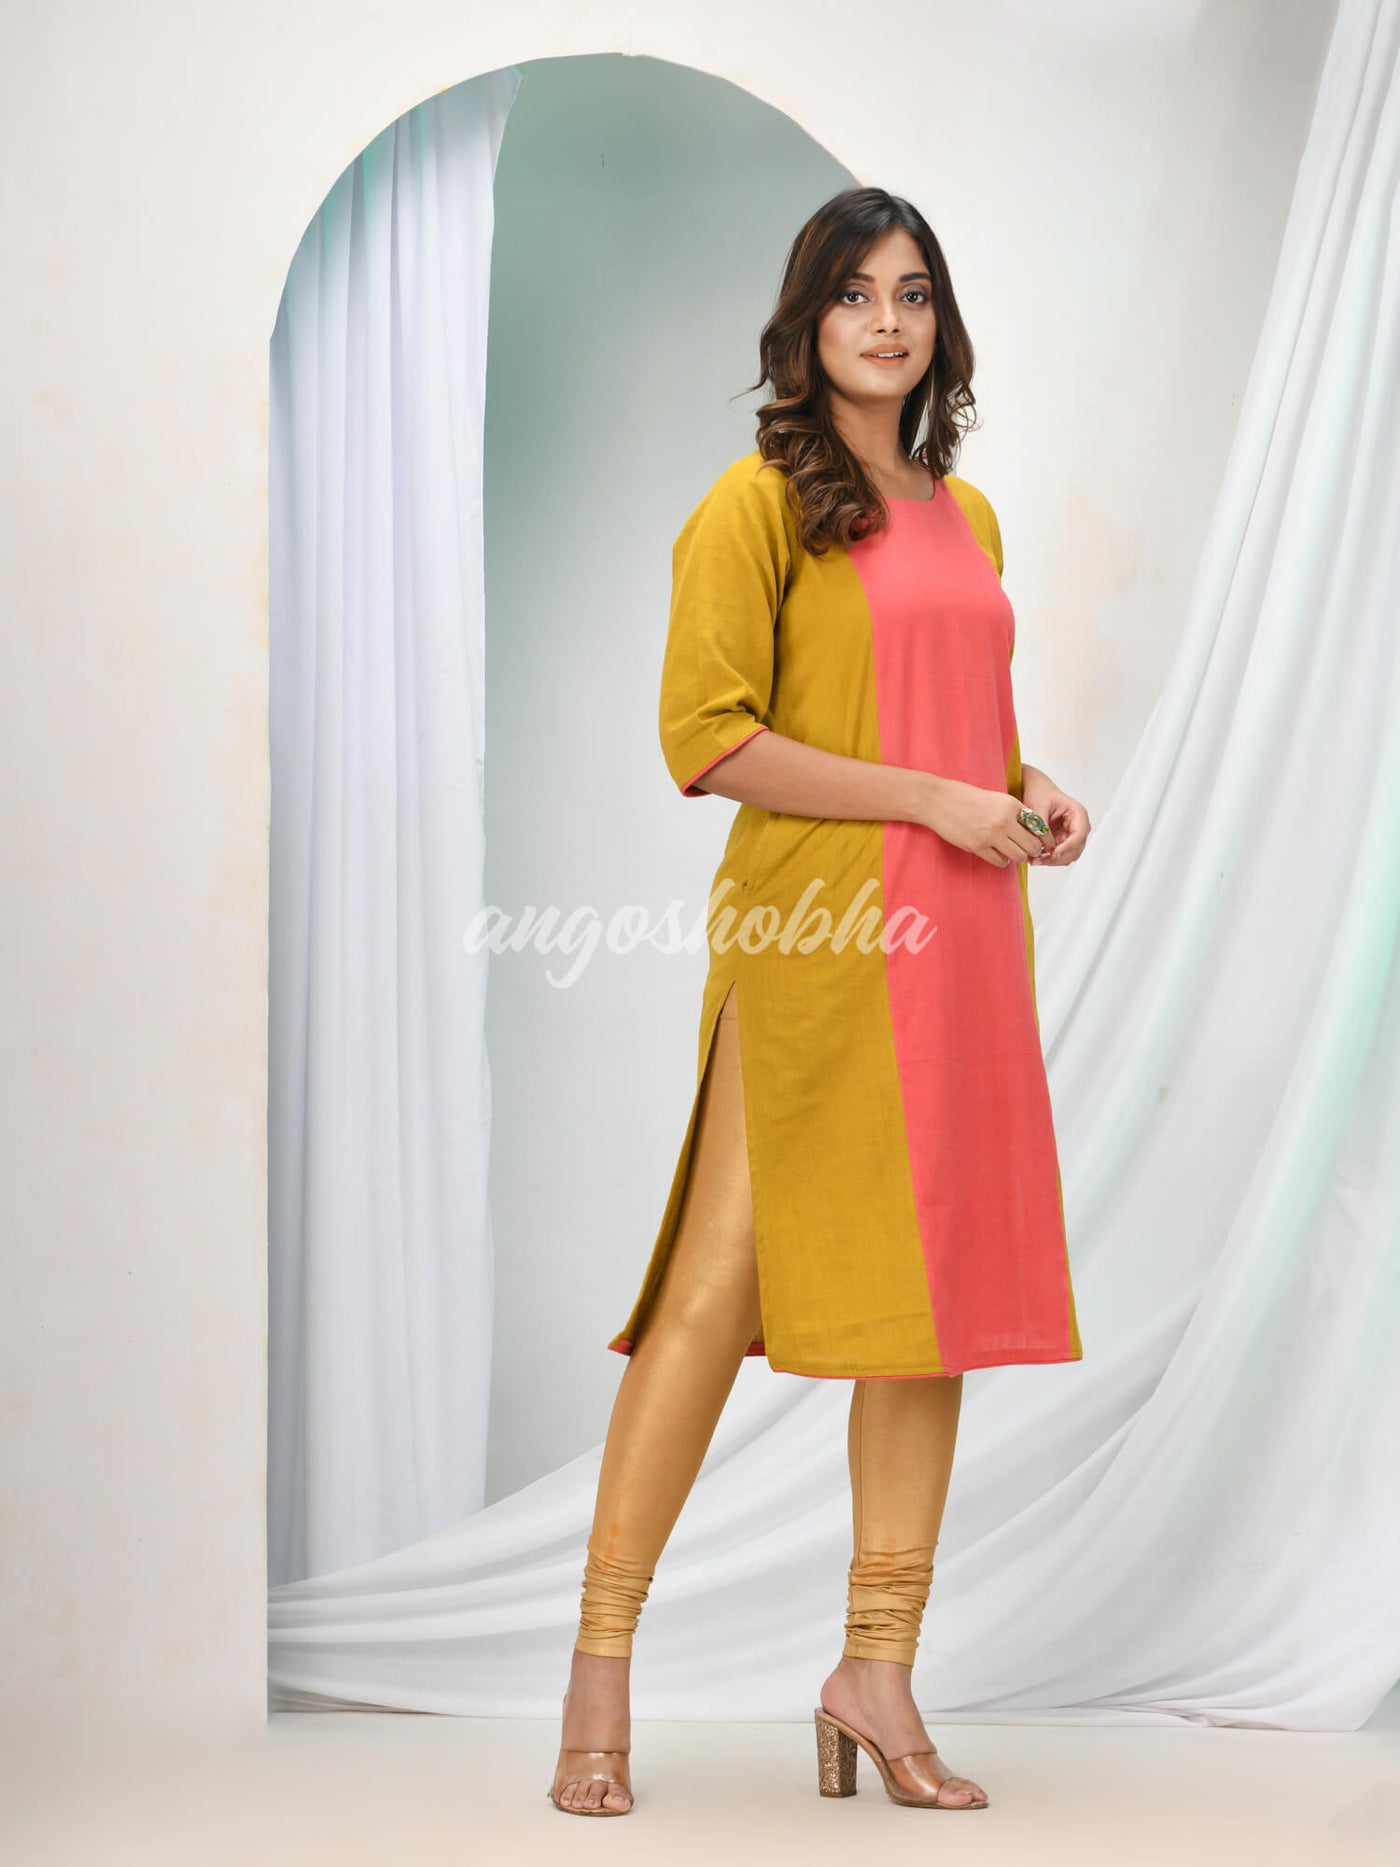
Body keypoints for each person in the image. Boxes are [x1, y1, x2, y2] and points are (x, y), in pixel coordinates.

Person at [547, 185, 1091, 1817]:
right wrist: (931, 800)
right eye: (856, 293)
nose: (887, 321)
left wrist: (1025, 787)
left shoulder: (969, 516)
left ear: (940, 325)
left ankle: (877, 1669)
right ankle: (598, 1666)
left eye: (913, 293)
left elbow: (955, 723)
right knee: (714, 1287)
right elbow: (709, 738)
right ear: (807, 319)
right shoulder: (752, 504)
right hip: (816, 936)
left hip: (964, 938)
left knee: (930, 1306)